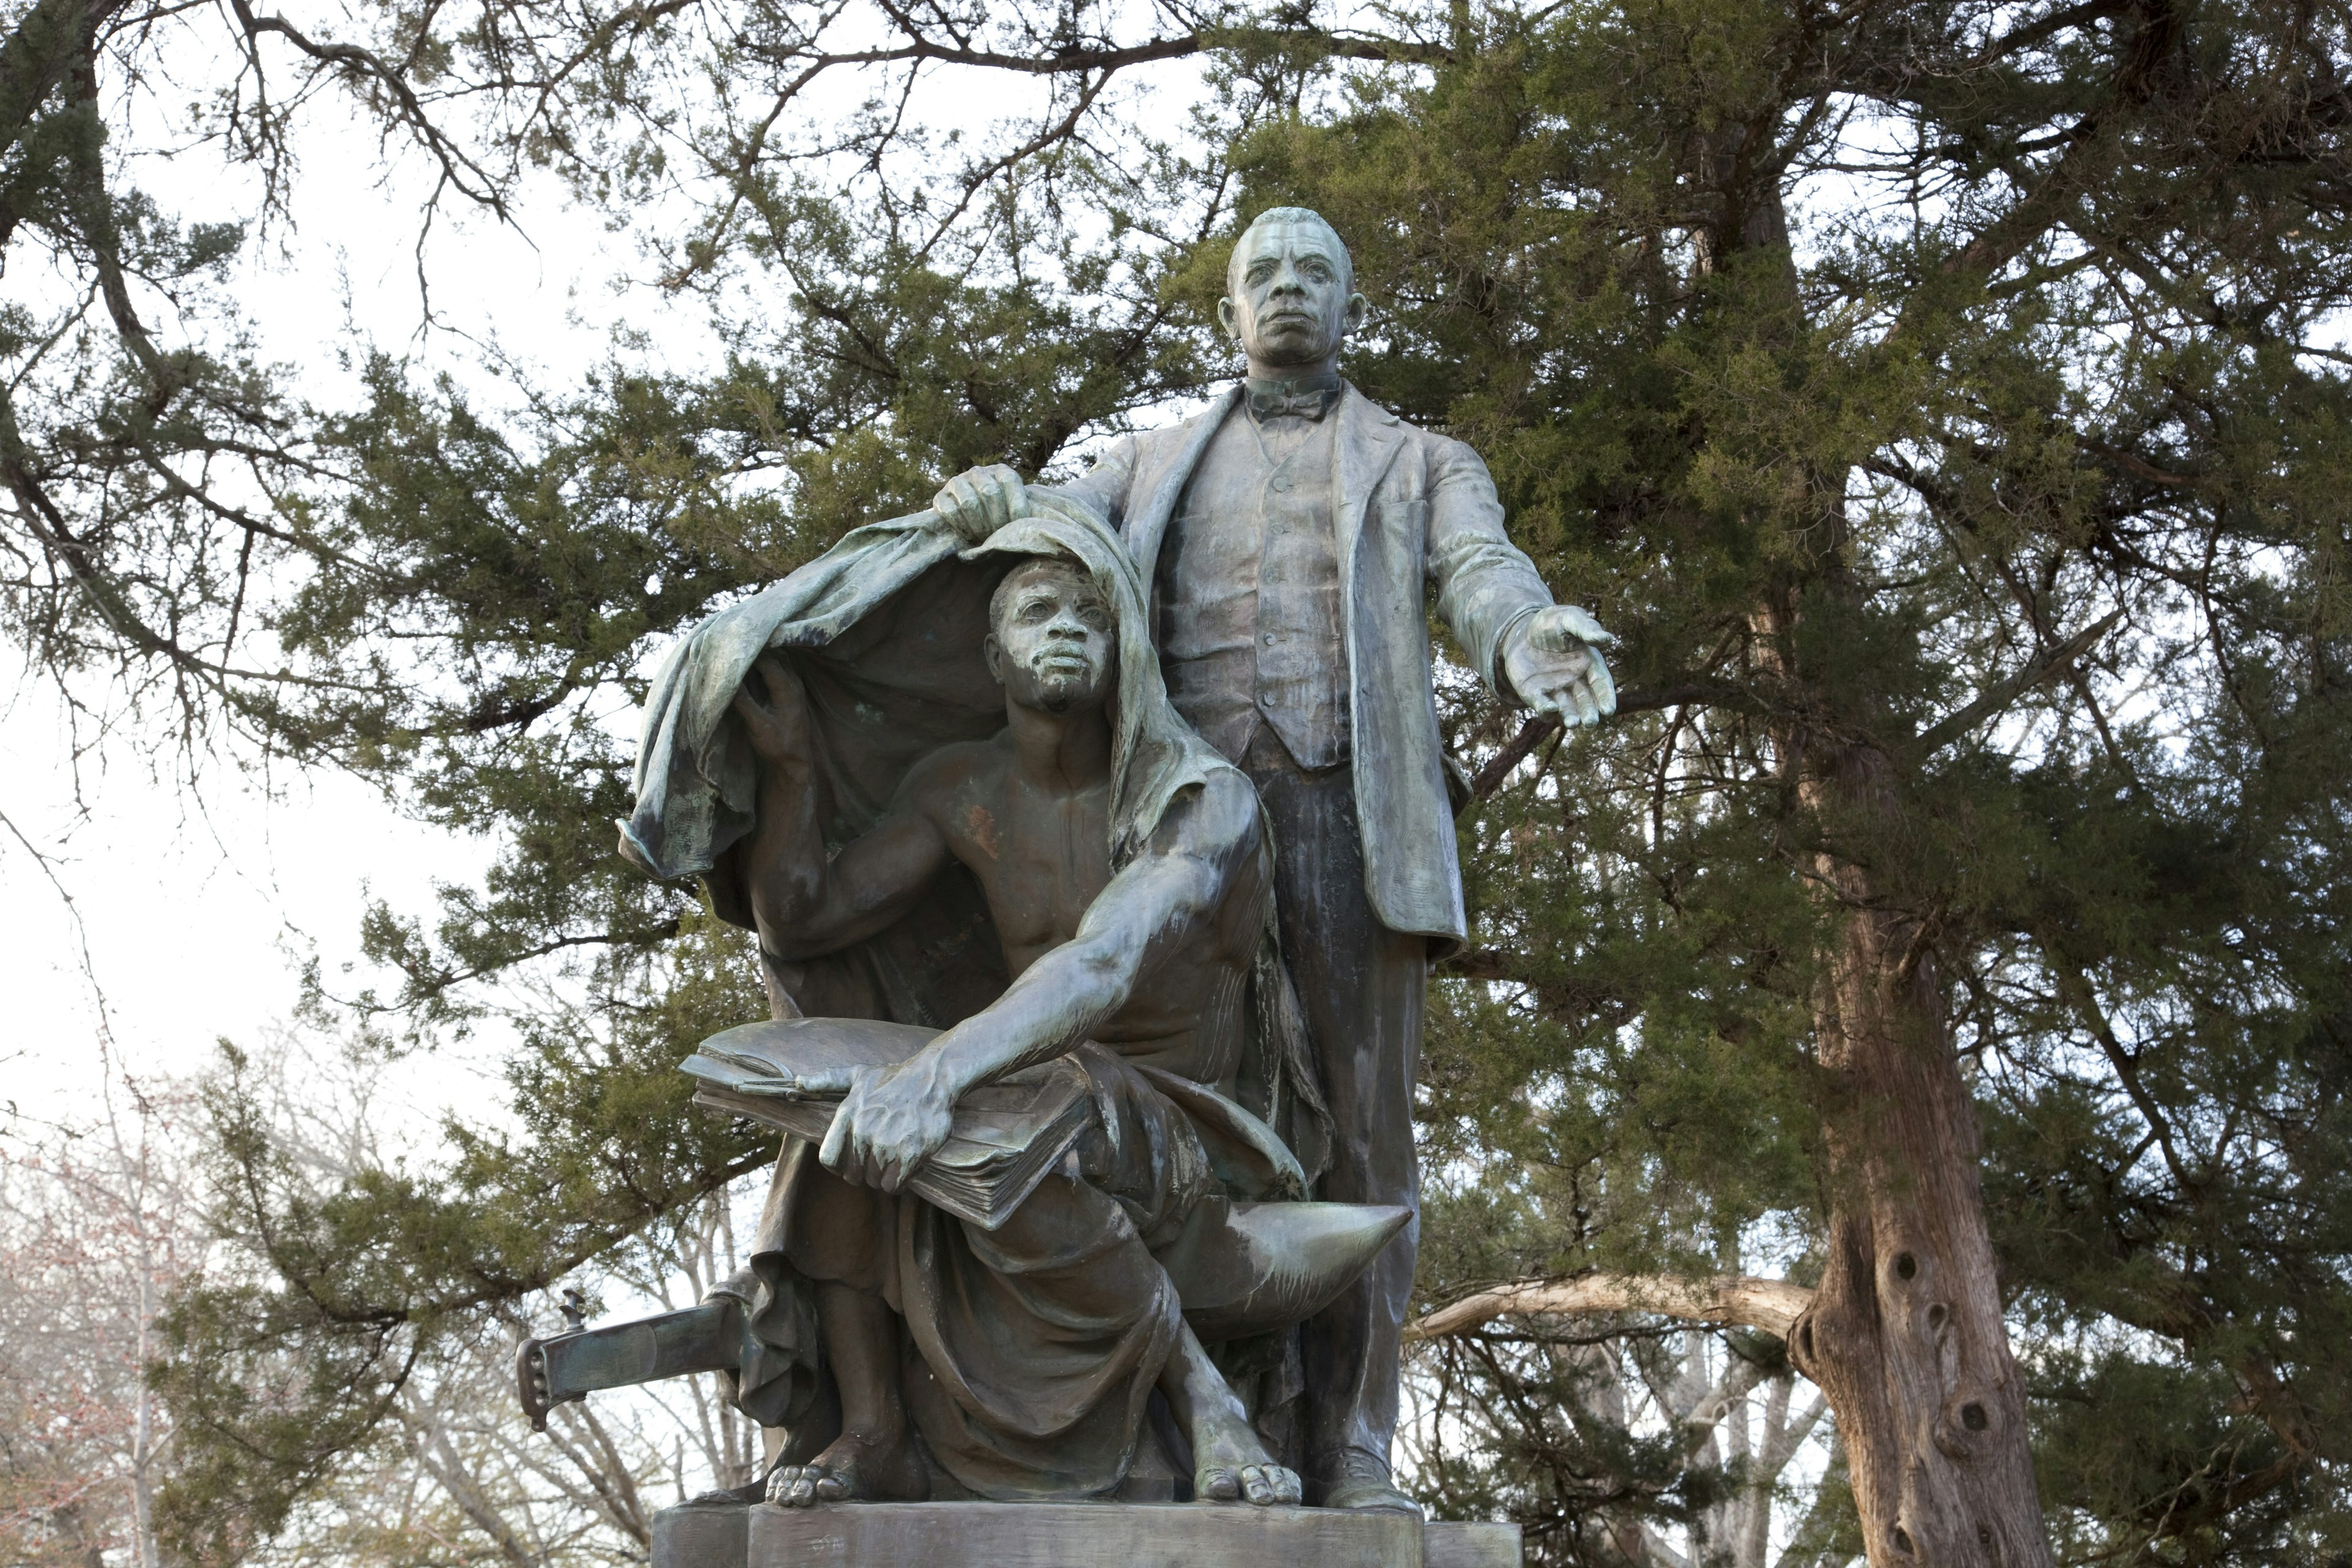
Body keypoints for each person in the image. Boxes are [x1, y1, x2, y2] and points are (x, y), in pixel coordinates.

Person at [928, 207, 1618, 1513]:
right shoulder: (1146, 463)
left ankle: (1353, 1442)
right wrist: (982, 504)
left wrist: (1526, 638)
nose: (1291, 289)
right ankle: (1191, 1428)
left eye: (1316, 272)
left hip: (1351, 829)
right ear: (1228, 315)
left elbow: (1481, 569)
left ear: (1350, 304)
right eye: (1267, 275)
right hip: (1181, 835)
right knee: (1170, 1126)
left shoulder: (1420, 460)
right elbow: (1033, 542)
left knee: (1361, 1145)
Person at [707, 500, 1313, 1507]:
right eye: (1038, 610)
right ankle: (874, 1426)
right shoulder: (962, 788)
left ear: (1127, 652)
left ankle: (1204, 1397)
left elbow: (1104, 964)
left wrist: (933, 1074)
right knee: (836, 1113)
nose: (1067, 626)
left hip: (1186, 1126)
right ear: (993, 658)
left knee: (1030, 1103)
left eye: (1090, 611)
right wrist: (794, 770)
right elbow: (804, 922)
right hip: (1035, 1091)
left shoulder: (1199, 801)